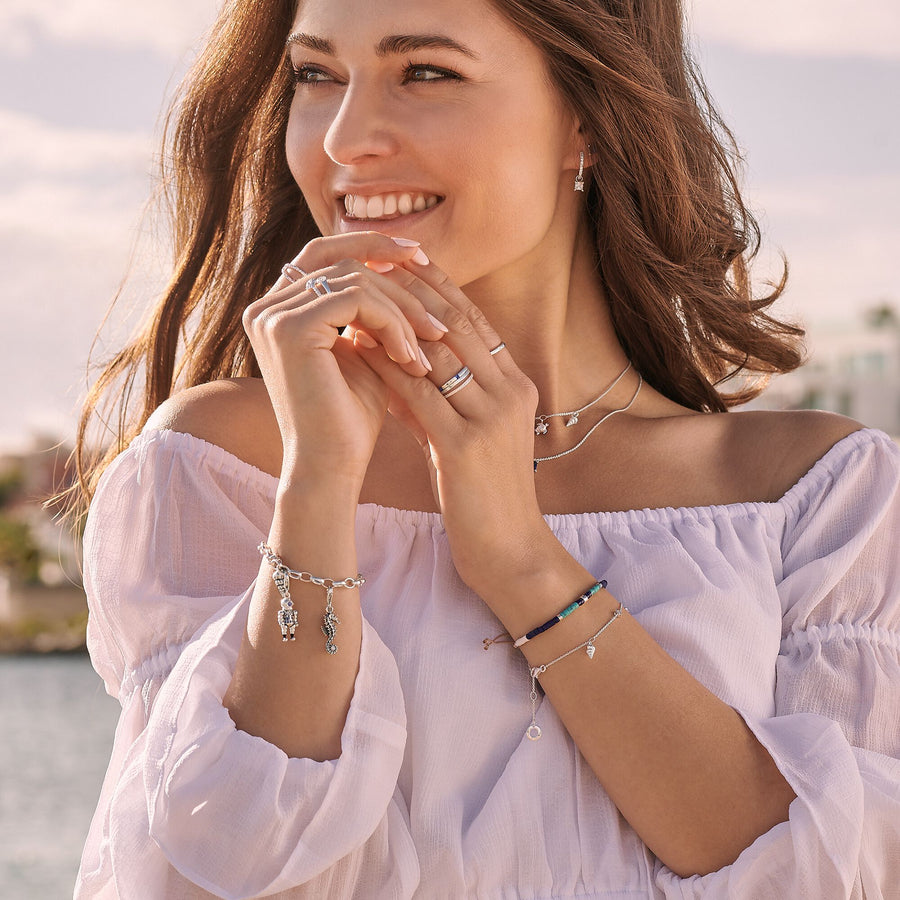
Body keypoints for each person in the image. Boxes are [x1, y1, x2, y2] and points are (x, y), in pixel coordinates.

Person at [73, 0, 900, 897]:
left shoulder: (821, 495)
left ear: (587, 117)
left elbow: (833, 870)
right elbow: (224, 857)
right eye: (315, 75)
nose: (346, 140)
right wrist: (317, 487)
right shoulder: (218, 466)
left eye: (425, 72)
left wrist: (520, 560)